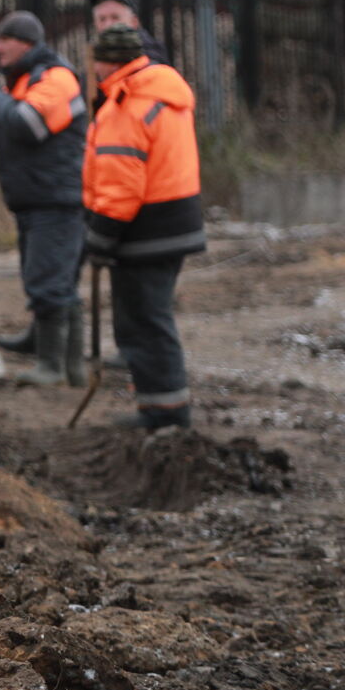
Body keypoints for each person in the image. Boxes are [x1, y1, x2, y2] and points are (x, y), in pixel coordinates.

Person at [83, 25, 205, 430]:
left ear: (106, 61)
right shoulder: (164, 93)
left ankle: (165, 415)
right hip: (173, 223)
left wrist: (100, 237)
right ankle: (162, 407)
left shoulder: (127, 104)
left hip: (144, 232)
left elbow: (121, 188)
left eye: (95, 60)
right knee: (151, 319)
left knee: (143, 323)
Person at [0, 12, 89, 386]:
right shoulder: (26, 80)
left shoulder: (55, 78)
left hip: (56, 199)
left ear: (25, 42)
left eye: (4, 40)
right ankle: (68, 365)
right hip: (36, 198)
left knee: (50, 281)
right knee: (46, 278)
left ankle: (53, 366)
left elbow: (25, 125)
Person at [88, 0, 170, 68]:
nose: (108, 25)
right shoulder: (94, 56)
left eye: (115, 17)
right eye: (102, 19)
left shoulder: (151, 57)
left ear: (134, 22)